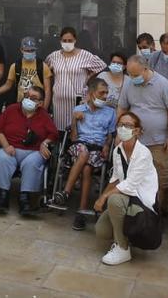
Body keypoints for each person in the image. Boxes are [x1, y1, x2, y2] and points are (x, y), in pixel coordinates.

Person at [117, 54, 168, 216]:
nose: (132, 78)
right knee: (132, 178)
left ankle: (157, 216)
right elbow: (122, 108)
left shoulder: (163, 84)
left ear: (146, 69)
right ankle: (135, 215)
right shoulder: (129, 83)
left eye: (135, 74)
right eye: (129, 74)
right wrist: (119, 133)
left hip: (158, 142)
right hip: (134, 141)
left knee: (158, 181)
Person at [52, 78, 117, 230]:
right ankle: (68, 193)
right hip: (79, 146)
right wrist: (75, 121)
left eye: (107, 93)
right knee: (83, 152)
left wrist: (107, 145)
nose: (105, 96)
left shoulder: (110, 112)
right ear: (91, 93)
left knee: (87, 168)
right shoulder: (79, 110)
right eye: (102, 93)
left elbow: (109, 135)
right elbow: (74, 138)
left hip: (98, 148)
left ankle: (75, 206)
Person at [94, 111, 157, 267]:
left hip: (140, 200)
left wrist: (104, 198)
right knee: (101, 230)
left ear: (136, 130)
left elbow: (129, 185)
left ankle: (122, 248)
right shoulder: (118, 150)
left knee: (114, 200)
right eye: (120, 124)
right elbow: (115, 178)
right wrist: (100, 199)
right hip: (125, 197)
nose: (123, 128)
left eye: (128, 125)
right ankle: (126, 235)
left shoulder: (143, 153)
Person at [0, 85, 59, 215]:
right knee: (2, 158)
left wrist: (44, 143)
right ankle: (2, 196)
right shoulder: (11, 109)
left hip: (34, 151)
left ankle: (25, 199)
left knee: (32, 163)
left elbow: (53, 134)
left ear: (40, 103)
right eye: (27, 96)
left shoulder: (44, 116)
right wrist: (6, 146)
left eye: (33, 98)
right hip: (11, 148)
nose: (28, 99)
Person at [45, 26, 107, 130]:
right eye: (64, 40)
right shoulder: (53, 56)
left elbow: (101, 66)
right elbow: (45, 70)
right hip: (59, 102)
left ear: (75, 40)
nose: (67, 43)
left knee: (77, 130)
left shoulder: (85, 55)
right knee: (60, 131)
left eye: (70, 40)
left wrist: (88, 78)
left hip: (78, 101)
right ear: (60, 41)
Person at [0, 36, 52, 106]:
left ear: (36, 50)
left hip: (37, 105)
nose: (29, 52)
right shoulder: (15, 66)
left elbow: (47, 90)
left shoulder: (43, 66)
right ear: (21, 50)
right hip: (20, 104)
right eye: (27, 50)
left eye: (32, 50)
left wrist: (44, 109)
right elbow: (7, 85)